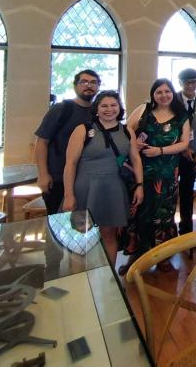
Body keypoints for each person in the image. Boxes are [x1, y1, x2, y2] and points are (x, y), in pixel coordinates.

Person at [62, 90, 143, 262]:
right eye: (104, 106)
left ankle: (109, 275)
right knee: (80, 237)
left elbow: (136, 159)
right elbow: (70, 164)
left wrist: (139, 185)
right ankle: (80, 275)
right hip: (85, 189)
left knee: (109, 234)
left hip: (113, 189)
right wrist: (69, 195)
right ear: (97, 108)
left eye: (113, 105)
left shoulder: (127, 131)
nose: (109, 109)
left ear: (119, 108)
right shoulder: (83, 130)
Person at [120, 78, 190, 274]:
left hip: (167, 176)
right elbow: (127, 130)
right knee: (140, 213)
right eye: (159, 92)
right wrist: (134, 144)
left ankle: (163, 258)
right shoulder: (144, 110)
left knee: (164, 215)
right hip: (141, 173)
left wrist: (160, 150)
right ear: (153, 94)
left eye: (167, 91)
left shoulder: (181, 116)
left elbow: (184, 143)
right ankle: (136, 257)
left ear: (173, 93)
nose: (163, 95)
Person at [34, 70, 100, 214]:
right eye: (84, 82)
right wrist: (43, 174)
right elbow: (41, 142)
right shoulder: (62, 109)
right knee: (59, 221)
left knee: (84, 221)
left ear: (98, 87)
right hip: (58, 178)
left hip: (86, 177)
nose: (89, 86)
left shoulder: (99, 112)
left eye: (93, 82)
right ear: (75, 86)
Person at [176, 68, 196, 236]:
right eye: (187, 82)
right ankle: (166, 231)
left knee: (187, 192)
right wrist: (182, 148)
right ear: (180, 83)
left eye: (194, 82)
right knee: (169, 193)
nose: (191, 85)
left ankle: (186, 230)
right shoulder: (173, 99)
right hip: (173, 154)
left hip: (193, 154)